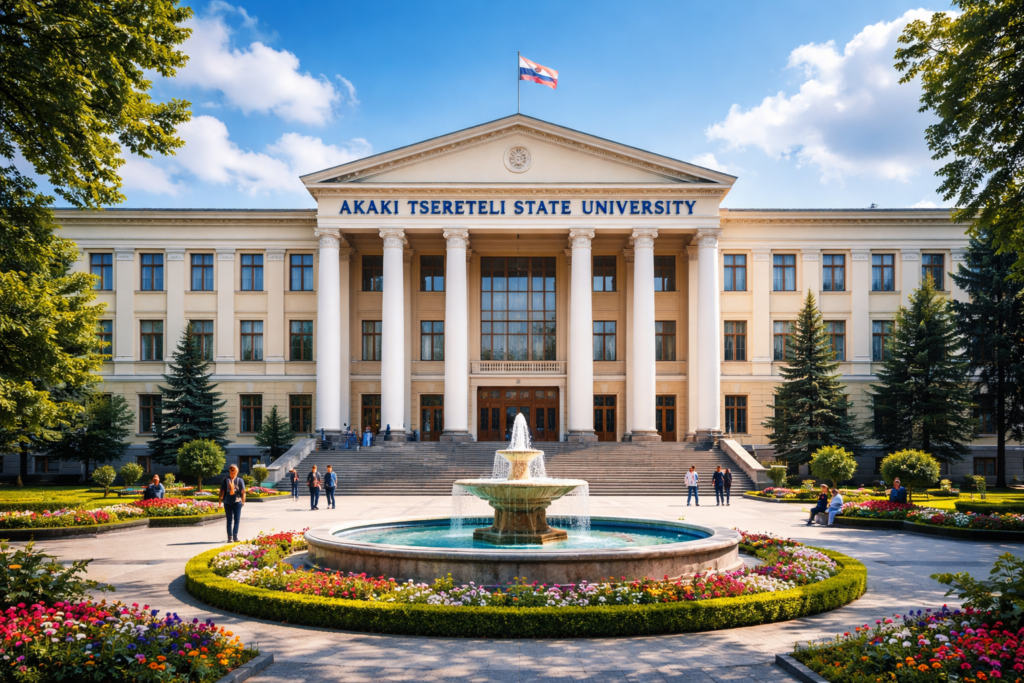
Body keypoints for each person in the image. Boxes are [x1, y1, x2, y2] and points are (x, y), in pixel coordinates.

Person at [218, 464, 246, 542]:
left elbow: (222, 491)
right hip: (236, 502)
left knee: (229, 520)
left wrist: (220, 501)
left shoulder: (225, 479)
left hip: (227, 502)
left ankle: (230, 537)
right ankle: (235, 536)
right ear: (237, 471)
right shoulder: (240, 480)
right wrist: (243, 502)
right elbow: (243, 492)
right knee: (236, 520)